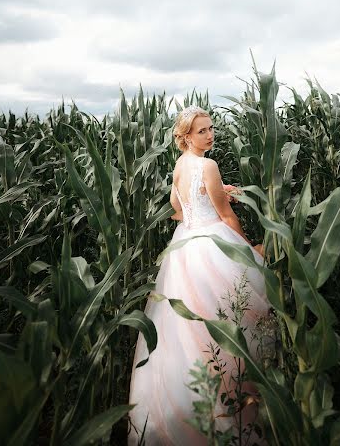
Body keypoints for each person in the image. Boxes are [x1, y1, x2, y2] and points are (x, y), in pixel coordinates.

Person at [128, 105, 270, 445]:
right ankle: (235, 417)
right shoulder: (209, 165)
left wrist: (216, 190)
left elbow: (178, 210)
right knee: (229, 324)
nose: (210, 135)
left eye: (210, 129)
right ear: (186, 136)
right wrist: (249, 250)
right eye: (202, 131)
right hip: (213, 243)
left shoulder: (179, 164)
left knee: (184, 333)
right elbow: (226, 216)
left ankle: (183, 417)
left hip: (185, 249)